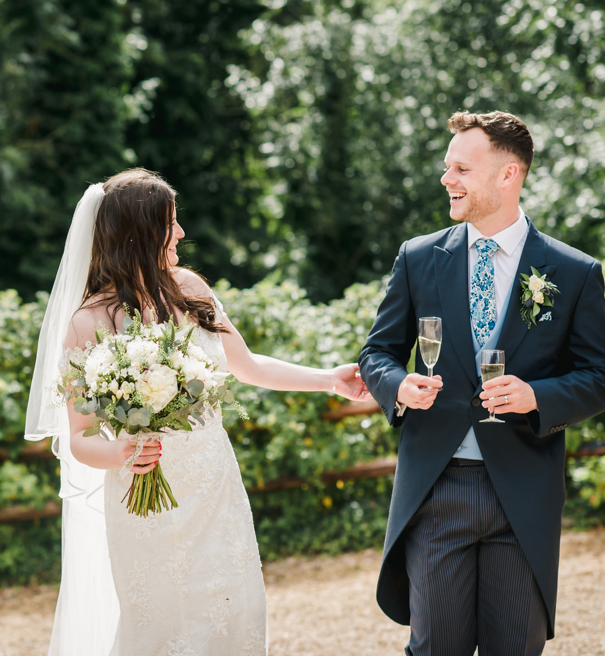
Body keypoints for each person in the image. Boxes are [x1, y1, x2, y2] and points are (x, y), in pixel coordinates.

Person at [26, 168, 371, 656]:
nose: (181, 233)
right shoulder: (87, 323)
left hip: (214, 489)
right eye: (170, 223)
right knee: (159, 629)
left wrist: (328, 380)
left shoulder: (189, 289)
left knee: (234, 614)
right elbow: (80, 437)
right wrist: (122, 452)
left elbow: (247, 365)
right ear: (139, 233)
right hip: (142, 501)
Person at [358, 111, 605, 655]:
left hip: (523, 492)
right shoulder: (418, 258)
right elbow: (376, 354)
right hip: (436, 489)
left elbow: (602, 379)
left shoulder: (573, 272)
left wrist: (537, 396)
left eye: (461, 168)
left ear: (508, 174)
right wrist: (398, 385)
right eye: (447, 166)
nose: (446, 179)